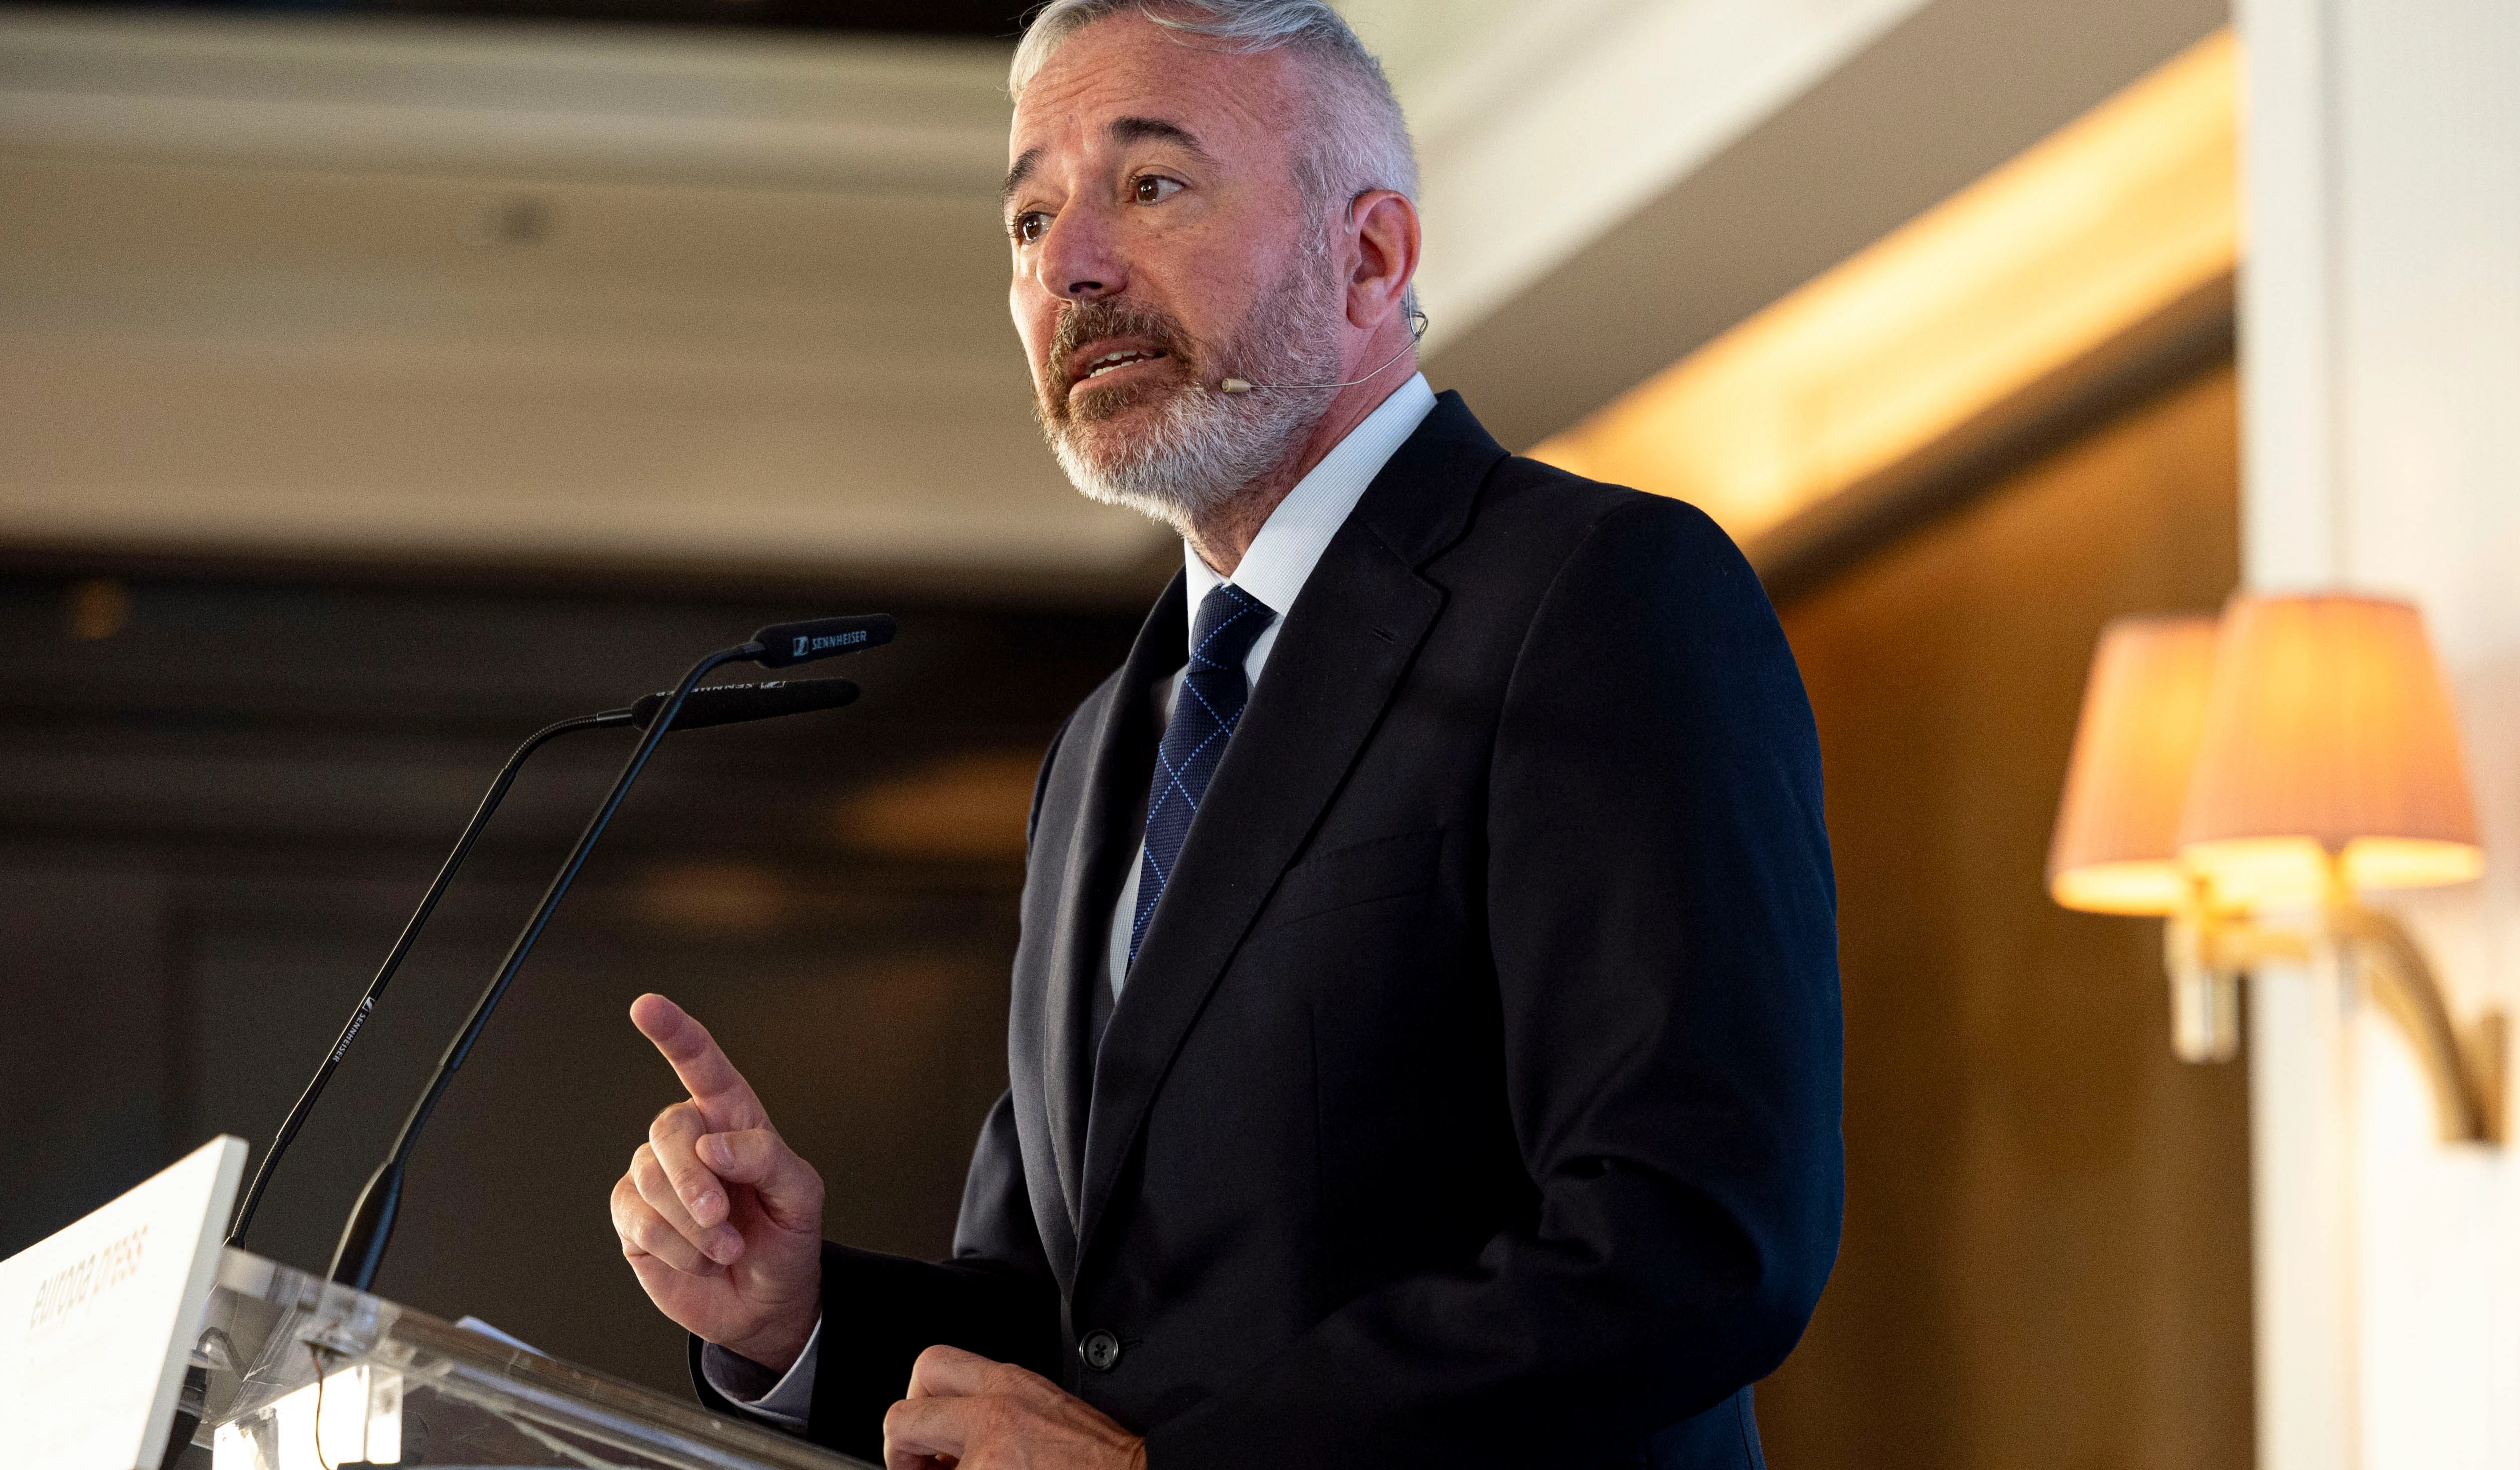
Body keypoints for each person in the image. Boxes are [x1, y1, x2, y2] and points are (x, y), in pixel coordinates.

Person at [607, 2, 1843, 1465]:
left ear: (1370, 256)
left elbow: (1691, 1238)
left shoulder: (1597, 597)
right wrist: (795, 1316)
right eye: (1027, 217)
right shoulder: (1099, 750)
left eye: (1151, 185)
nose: (1069, 264)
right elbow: (1077, 1323)